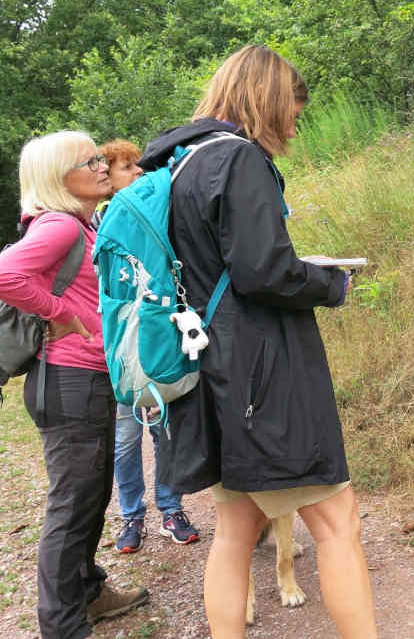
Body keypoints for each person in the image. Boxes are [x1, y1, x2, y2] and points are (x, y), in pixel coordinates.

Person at [137, 44, 378, 639]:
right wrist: (331, 281)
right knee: (337, 523)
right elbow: (262, 272)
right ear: (268, 100)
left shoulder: (181, 163)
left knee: (235, 529)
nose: (298, 121)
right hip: (261, 376)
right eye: (295, 107)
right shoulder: (240, 159)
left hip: (214, 371)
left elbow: (221, 264)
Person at [0, 131, 150, 639]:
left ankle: (89, 592)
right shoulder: (60, 226)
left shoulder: (80, 224)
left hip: (80, 380)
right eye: (90, 161)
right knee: (72, 506)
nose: (102, 166)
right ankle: (62, 626)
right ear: (59, 178)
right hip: (69, 381)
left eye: (100, 158)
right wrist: (63, 314)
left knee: (91, 496)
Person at [94, 139, 200, 553]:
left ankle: (171, 509)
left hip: (153, 338)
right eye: (126, 168)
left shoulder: (155, 218)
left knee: (163, 431)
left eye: (138, 166)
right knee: (125, 438)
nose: (138, 173)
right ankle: (131, 517)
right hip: (121, 348)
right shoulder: (103, 227)